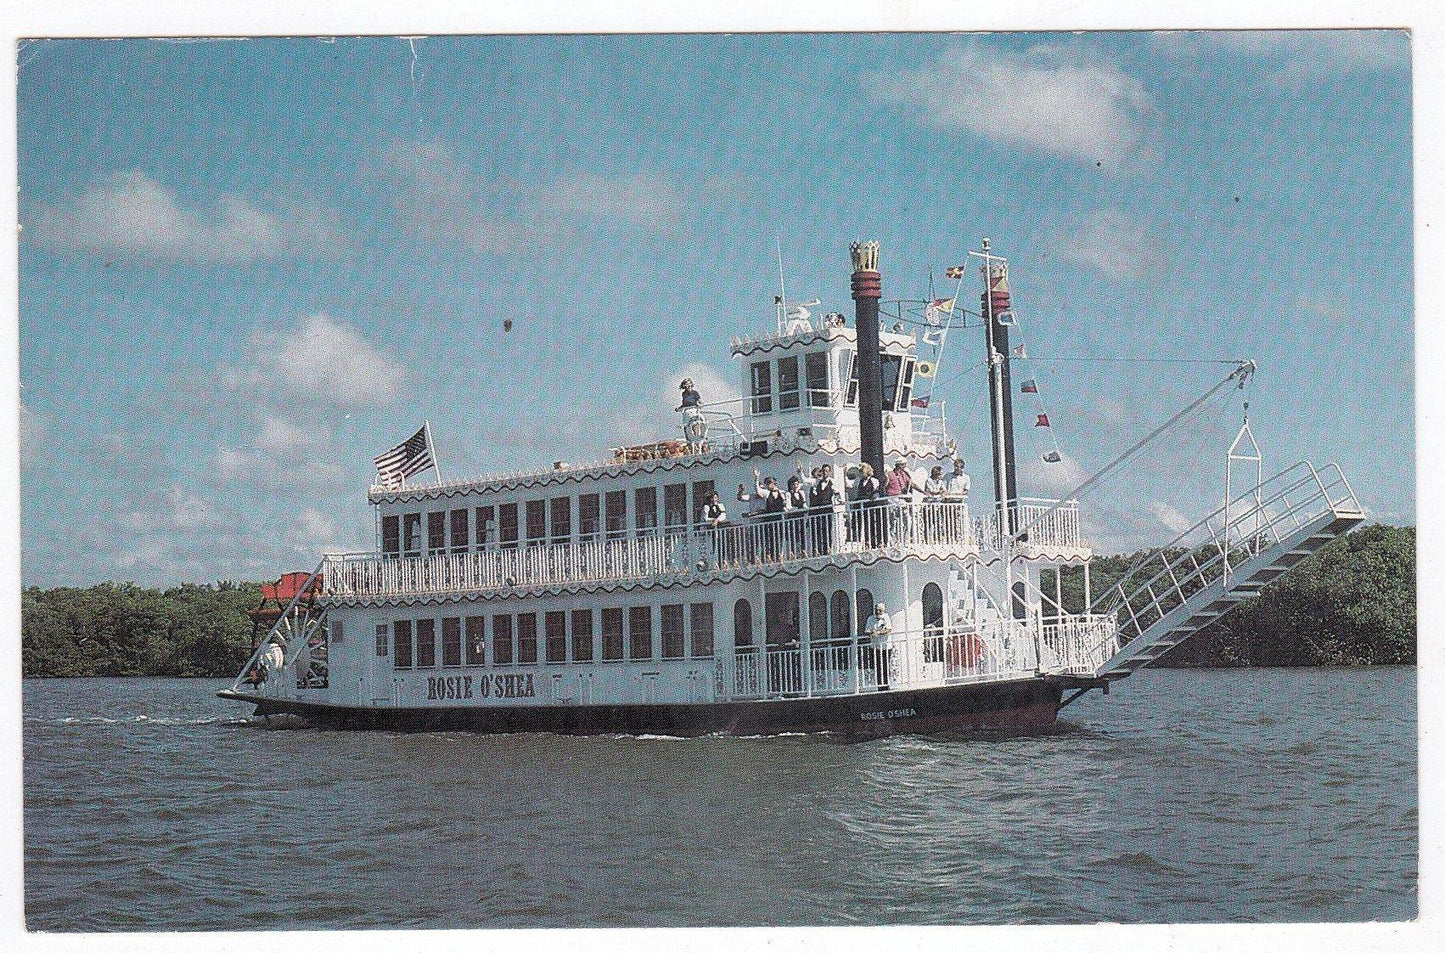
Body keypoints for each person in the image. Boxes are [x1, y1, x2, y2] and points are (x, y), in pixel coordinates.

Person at [847, 462, 883, 546]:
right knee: (858, 522)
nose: (860, 473)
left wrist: (873, 497)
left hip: (869, 504)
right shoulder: (859, 481)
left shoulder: (874, 480)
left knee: (870, 523)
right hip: (860, 504)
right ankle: (859, 540)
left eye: (862, 471)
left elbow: (876, 492)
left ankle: (871, 541)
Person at [864, 602, 894, 691]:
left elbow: (889, 629)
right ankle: (880, 687)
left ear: (883, 610)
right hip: (875, 647)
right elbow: (866, 631)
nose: (877, 611)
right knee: (877, 667)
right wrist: (872, 632)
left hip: (885, 647)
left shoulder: (886, 618)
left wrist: (879, 632)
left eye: (879, 610)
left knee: (885, 667)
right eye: (876, 610)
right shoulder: (871, 619)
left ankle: (886, 686)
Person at [676, 378, 706, 452]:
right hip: (686, 413)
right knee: (687, 430)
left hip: (694, 412)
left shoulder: (695, 393)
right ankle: (690, 447)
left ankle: (698, 447)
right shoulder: (684, 394)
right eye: (686, 386)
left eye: (689, 385)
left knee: (696, 428)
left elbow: (700, 402)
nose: (688, 387)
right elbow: (684, 404)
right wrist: (678, 408)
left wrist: (700, 405)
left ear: (691, 385)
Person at [702, 490, 728, 567]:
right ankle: (713, 563)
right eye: (713, 498)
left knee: (722, 545)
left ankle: (722, 561)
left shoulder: (721, 505)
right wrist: (713, 519)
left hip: (720, 528)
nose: (714, 499)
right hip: (711, 529)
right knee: (712, 545)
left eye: (716, 497)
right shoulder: (706, 507)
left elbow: (723, 515)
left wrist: (717, 520)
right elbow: (706, 518)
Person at [785, 475, 809, 556]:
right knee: (793, 536)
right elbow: (789, 507)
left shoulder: (801, 492)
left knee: (802, 534)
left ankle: (803, 551)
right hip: (793, 518)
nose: (795, 486)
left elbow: (804, 504)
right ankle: (793, 553)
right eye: (793, 484)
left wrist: (805, 509)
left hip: (801, 517)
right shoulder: (788, 494)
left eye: (796, 484)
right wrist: (796, 509)